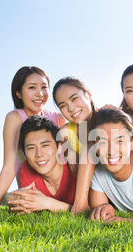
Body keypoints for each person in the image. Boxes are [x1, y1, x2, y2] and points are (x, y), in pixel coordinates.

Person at [0, 66, 65, 212]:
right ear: (18, 93)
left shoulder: (58, 119)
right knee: (14, 199)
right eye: (32, 88)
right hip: (33, 187)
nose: (40, 94)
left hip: (60, 186)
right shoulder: (15, 118)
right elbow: (10, 166)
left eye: (44, 87)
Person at [7, 116, 76, 214]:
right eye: (31, 148)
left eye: (45, 145)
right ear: (24, 153)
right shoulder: (27, 169)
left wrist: (48, 204)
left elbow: (89, 210)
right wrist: (13, 198)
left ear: (60, 147)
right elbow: (24, 203)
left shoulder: (74, 165)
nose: (39, 154)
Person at [52, 76, 97, 213]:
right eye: (63, 106)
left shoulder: (108, 120)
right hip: (90, 191)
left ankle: (80, 205)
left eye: (74, 98)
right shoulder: (66, 131)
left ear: (88, 95)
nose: (71, 108)